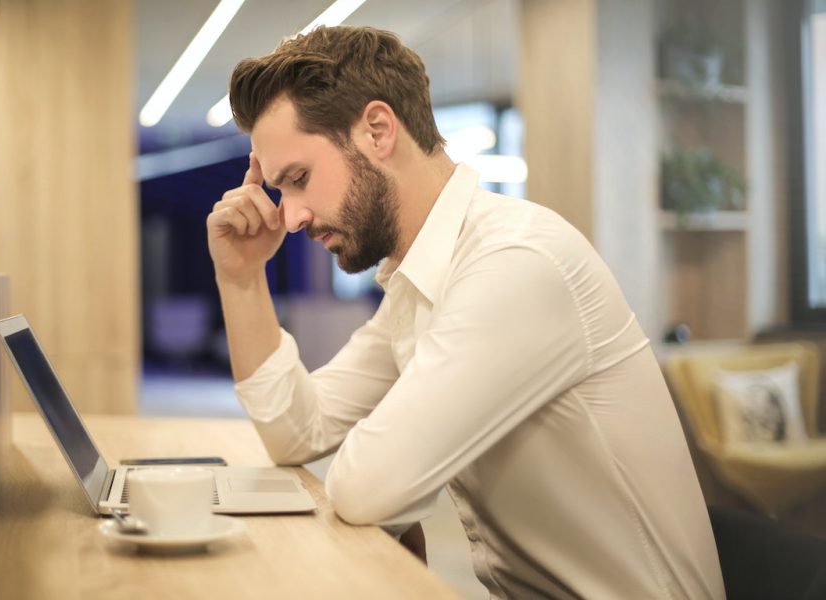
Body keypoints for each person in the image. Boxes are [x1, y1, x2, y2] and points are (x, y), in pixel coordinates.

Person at [206, 25, 724, 599]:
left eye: (299, 180)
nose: (291, 216)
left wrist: (389, 492)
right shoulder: (421, 283)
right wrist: (241, 277)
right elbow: (297, 431)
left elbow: (367, 487)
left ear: (378, 130)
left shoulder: (515, 263)